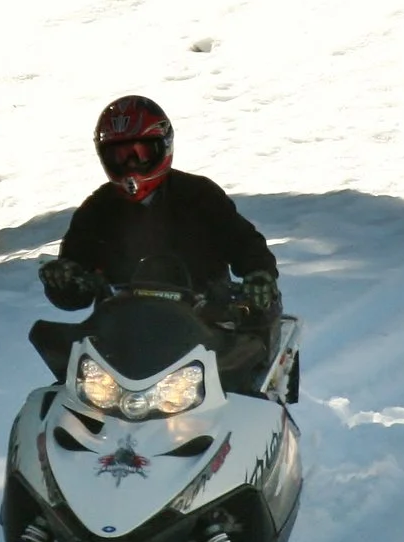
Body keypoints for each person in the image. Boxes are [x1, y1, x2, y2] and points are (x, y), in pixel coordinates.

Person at [32, 95, 283, 390]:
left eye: (140, 153)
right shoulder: (96, 210)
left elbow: (244, 243)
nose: (131, 165)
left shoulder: (199, 195)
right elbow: (75, 293)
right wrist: (64, 280)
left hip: (204, 332)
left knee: (242, 396)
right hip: (121, 341)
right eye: (119, 156)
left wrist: (258, 275)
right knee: (62, 400)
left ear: (163, 147)